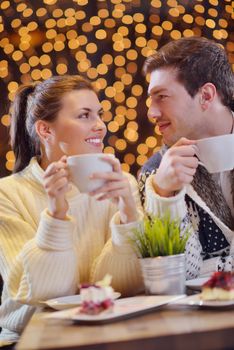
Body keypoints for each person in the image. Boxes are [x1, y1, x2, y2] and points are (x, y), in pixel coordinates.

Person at [0, 75, 144, 343]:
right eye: (84, 115)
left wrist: (129, 217)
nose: (100, 126)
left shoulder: (121, 185)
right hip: (28, 340)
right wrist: (56, 216)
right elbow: (43, 294)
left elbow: (123, 285)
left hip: (107, 332)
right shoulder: (7, 194)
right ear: (46, 130)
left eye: (99, 114)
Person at [139, 36, 234, 280]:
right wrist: (164, 197)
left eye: (162, 96)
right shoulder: (154, 175)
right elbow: (176, 277)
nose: (151, 112)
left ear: (206, 95)